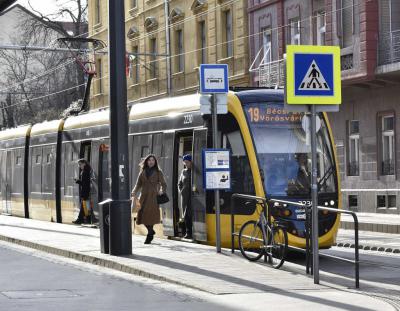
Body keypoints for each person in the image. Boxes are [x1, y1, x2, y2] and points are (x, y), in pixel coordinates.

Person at [131, 154, 167, 244]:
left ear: (155, 162)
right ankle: (151, 231)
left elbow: (164, 183)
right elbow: (138, 184)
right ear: (146, 161)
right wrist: (134, 191)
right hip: (143, 196)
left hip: (153, 196)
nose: (151, 162)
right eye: (149, 160)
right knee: (141, 215)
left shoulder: (158, 172)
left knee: (150, 215)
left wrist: (162, 191)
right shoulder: (142, 171)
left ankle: (149, 235)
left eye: (153, 160)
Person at [73, 159, 93, 224]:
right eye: (79, 165)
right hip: (86, 191)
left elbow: (85, 184)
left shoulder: (85, 171)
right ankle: (85, 219)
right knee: (85, 206)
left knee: (84, 206)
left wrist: (78, 181)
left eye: (80, 164)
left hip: (85, 191)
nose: (79, 166)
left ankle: (81, 219)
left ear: (84, 163)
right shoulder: (87, 170)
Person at [178, 154, 192, 239]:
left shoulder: (195, 171)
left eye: (187, 162)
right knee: (186, 215)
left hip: (194, 196)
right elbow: (179, 183)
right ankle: (188, 232)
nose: (186, 164)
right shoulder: (184, 171)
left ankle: (191, 232)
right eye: (185, 162)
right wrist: (181, 191)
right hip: (185, 197)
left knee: (191, 214)